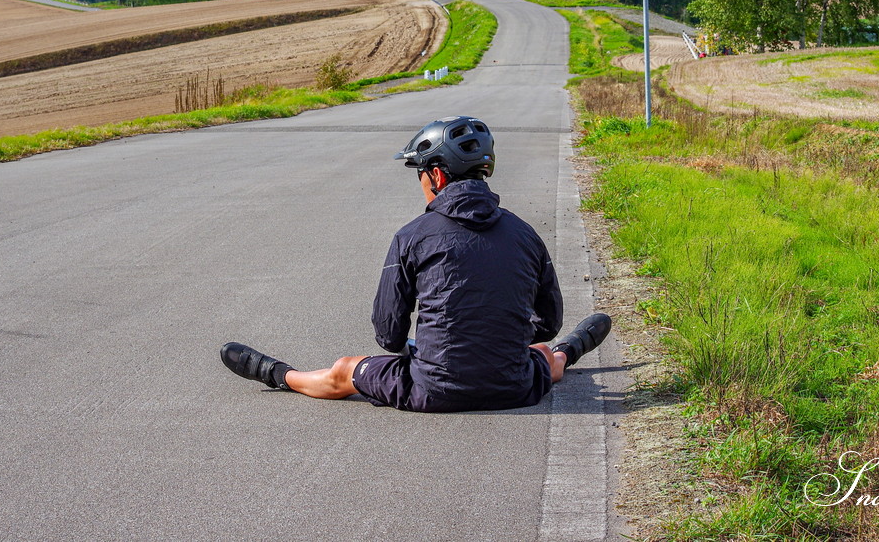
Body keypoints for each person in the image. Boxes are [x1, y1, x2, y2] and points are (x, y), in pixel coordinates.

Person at [220, 115, 611, 413]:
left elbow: (388, 336)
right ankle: (571, 350)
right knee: (544, 355)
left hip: (434, 391)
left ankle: (278, 374)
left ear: (437, 175)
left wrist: (423, 348)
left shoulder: (412, 236)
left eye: (421, 173)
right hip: (514, 387)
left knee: (344, 370)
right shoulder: (526, 234)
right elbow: (547, 322)